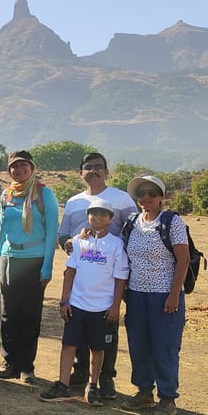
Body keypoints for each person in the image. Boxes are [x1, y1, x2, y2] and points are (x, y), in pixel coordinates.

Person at [56, 151, 137, 398]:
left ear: (106, 171)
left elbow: (134, 230)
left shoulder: (121, 198)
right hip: (83, 273)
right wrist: (70, 243)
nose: (93, 171)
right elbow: (63, 235)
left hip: (110, 275)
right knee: (79, 325)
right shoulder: (73, 202)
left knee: (106, 330)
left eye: (98, 167)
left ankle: (106, 378)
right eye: (88, 167)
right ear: (81, 172)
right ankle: (81, 373)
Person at [40, 199, 129, 406]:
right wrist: (64, 301)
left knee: (98, 348)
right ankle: (63, 384)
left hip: (102, 308)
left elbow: (120, 279)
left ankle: (93, 386)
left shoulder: (116, 245)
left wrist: (115, 306)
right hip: (77, 304)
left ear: (111, 218)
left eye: (102, 214)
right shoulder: (80, 241)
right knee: (69, 345)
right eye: (93, 214)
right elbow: (70, 272)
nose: (97, 218)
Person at [120, 175, 190, 415]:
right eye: (141, 193)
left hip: (164, 296)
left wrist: (174, 294)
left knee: (165, 347)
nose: (146, 198)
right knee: (139, 345)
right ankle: (144, 392)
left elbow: (183, 259)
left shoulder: (171, 222)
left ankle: (168, 398)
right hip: (137, 295)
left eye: (151, 192)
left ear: (161, 196)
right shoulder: (132, 222)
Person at [0, 151, 58, 383]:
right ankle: (9, 362)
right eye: (13, 167)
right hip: (10, 258)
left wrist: (47, 266)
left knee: (30, 315)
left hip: (34, 259)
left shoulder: (43, 193)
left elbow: (52, 231)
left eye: (22, 166)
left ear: (31, 167)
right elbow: (1, 227)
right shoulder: (7, 194)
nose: (18, 170)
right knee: (9, 314)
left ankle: (26, 366)